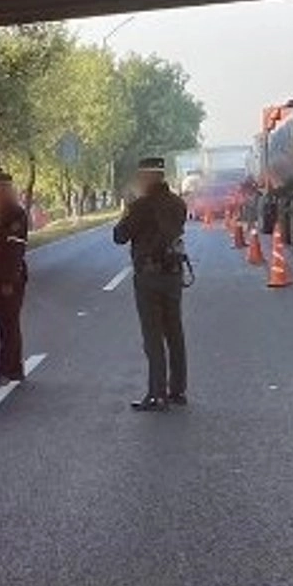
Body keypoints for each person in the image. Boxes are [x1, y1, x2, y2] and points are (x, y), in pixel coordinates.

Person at [113, 157, 189, 412]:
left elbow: (119, 236)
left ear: (146, 177)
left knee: (153, 335)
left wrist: (126, 210)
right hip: (174, 274)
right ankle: (177, 389)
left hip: (149, 276)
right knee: (174, 331)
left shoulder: (140, 206)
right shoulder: (178, 203)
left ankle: (157, 394)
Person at [0, 172, 30, 388]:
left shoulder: (15, 213)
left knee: (7, 325)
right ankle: (16, 368)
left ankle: (4, 371)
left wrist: (9, 279)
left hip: (8, 277)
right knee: (8, 324)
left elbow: (15, 248)